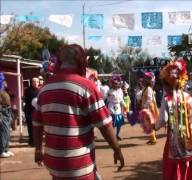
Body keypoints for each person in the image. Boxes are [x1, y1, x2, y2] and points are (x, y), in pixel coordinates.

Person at [32, 44, 124, 179]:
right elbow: (104, 124)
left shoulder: (45, 88)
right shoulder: (86, 86)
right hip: (78, 164)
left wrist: (38, 149)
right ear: (81, 62)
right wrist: (117, 149)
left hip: (53, 162)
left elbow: (37, 123)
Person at [155, 59, 192, 180]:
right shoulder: (188, 97)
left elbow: (163, 119)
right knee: (190, 163)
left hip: (175, 140)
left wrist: (154, 126)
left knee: (175, 166)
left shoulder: (167, 99)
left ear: (167, 83)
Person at [139, 72, 159, 145]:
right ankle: (152, 138)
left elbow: (149, 99)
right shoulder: (146, 88)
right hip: (147, 107)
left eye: (145, 79)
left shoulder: (149, 89)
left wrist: (144, 106)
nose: (143, 81)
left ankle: (153, 139)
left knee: (149, 123)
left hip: (149, 108)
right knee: (148, 123)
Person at [107, 75, 125, 141]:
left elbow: (121, 101)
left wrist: (123, 111)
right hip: (111, 108)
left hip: (118, 109)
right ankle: (112, 136)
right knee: (112, 124)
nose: (115, 85)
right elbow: (108, 101)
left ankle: (117, 135)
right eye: (114, 83)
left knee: (119, 123)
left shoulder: (120, 91)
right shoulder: (110, 91)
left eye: (117, 84)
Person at [0, 76, 14, 158]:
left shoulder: (4, 91)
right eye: (4, 81)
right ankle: (1, 151)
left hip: (8, 111)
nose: (6, 82)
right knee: (3, 132)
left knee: (7, 132)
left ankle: (6, 149)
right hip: (3, 112)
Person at [24, 77, 39, 146]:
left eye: (37, 82)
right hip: (29, 111)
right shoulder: (27, 90)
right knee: (30, 127)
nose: (35, 83)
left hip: (37, 112)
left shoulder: (39, 91)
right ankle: (31, 142)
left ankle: (36, 141)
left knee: (37, 127)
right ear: (31, 82)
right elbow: (26, 101)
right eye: (34, 81)